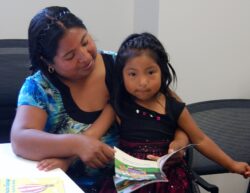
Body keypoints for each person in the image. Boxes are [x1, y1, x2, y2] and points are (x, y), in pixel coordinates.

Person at [10, 6, 189, 193]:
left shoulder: (124, 67)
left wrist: (179, 143)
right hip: (72, 186)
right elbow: (20, 139)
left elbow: (177, 113)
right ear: (48, 62)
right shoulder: (39, 88)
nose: (85, 57)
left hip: (143, 184)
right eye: (70, 56)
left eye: (85, 42)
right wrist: (77, 144)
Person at [99, 32, 250, 193]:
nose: (142, 82)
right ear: (122, 76)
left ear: (162, 71)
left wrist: (231, 165)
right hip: (131, 181)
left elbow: (200, 139)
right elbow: (91, 136)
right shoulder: (118, 106)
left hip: (170, 182)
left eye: (150, 72)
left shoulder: (174, 107)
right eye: (132, 74)